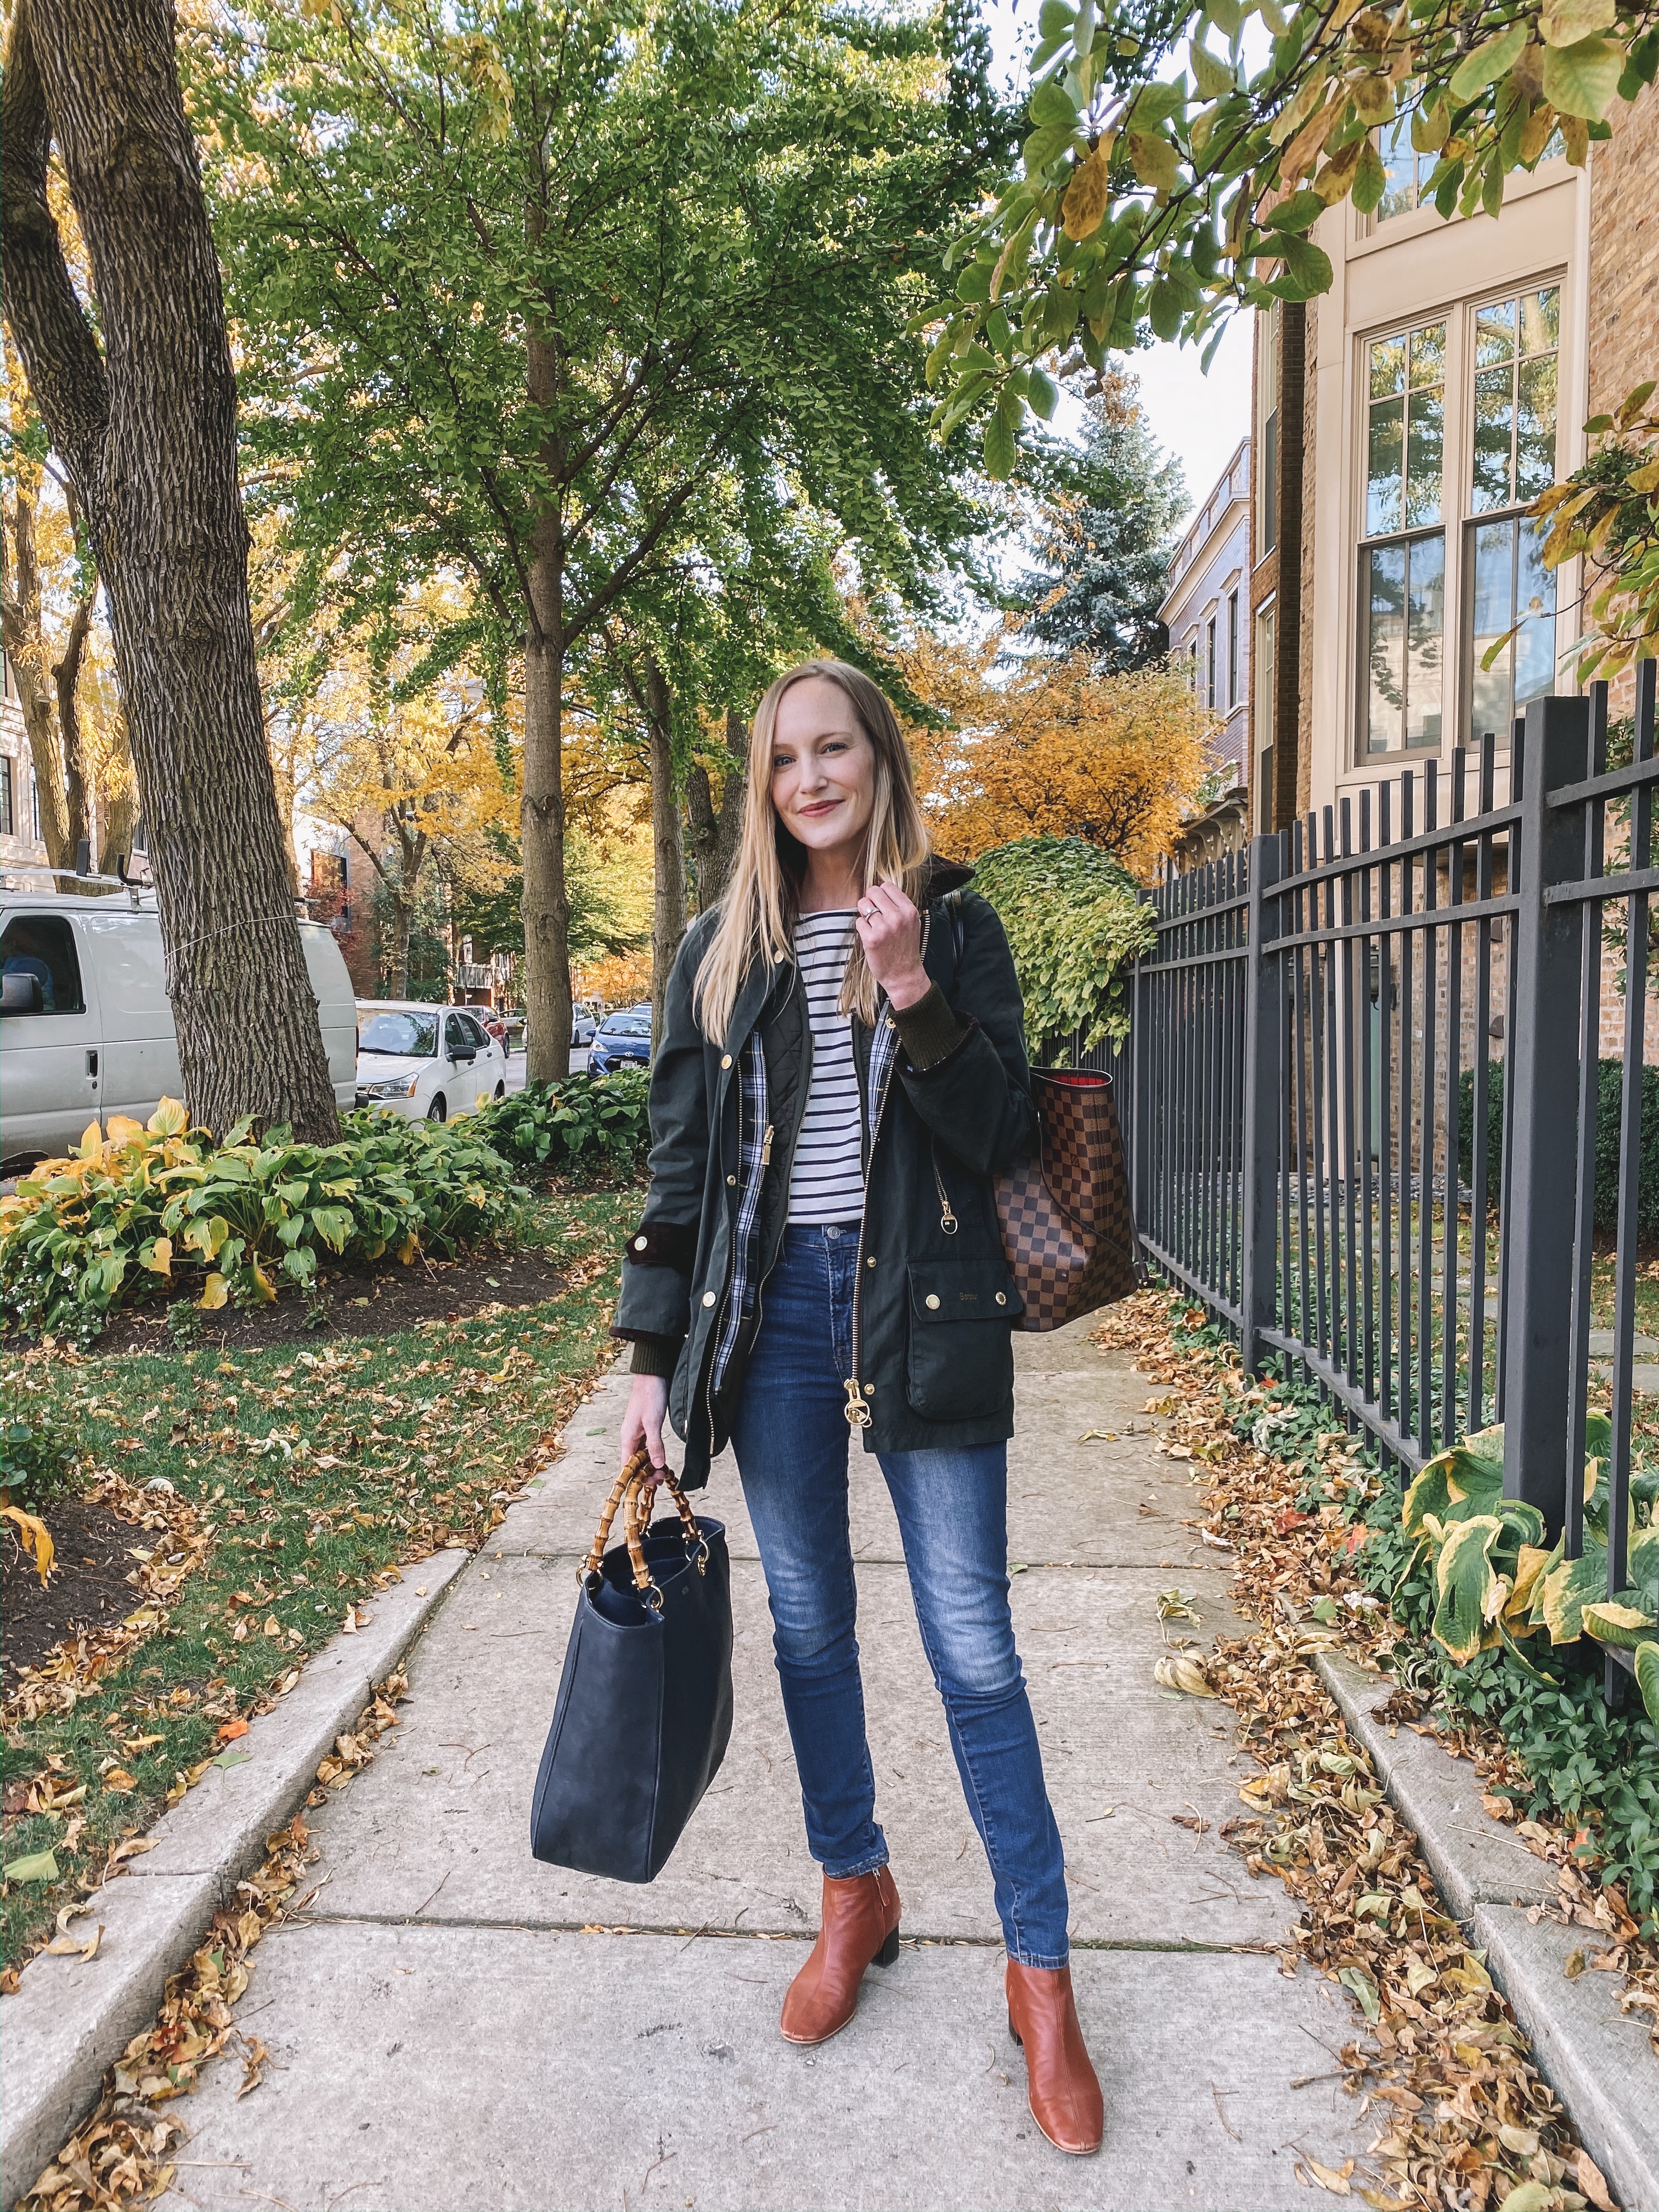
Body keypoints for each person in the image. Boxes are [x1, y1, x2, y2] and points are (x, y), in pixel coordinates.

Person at [613, 658, 1103, 2157]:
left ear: (879, 763)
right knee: (810, 1625)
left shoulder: (954, 926)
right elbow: (683, 1172)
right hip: (771, 1322)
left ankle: (1041, 1976)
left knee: (971, 1642)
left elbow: (1010, 1134)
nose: (811, 777)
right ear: (764, 785)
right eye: (784, 758)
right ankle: (855, 1893)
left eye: (835, 749)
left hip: (926, 1309)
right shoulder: (724, 947)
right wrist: (647, 1358)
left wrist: (913, 995)